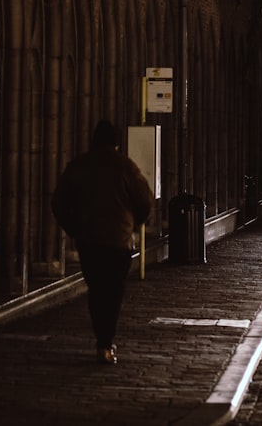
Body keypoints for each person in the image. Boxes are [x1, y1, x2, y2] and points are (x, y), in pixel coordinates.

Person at [52, 120, 154, 364]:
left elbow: (59, 202)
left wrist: (75, 229)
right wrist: (134, 225)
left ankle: (102, 339)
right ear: (117, 143)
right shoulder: (125, 167)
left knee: (96, 291)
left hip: (89, 241)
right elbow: (145, 201)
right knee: (113, 292)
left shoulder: (79, 166)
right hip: (118, 242)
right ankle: (106, 342)